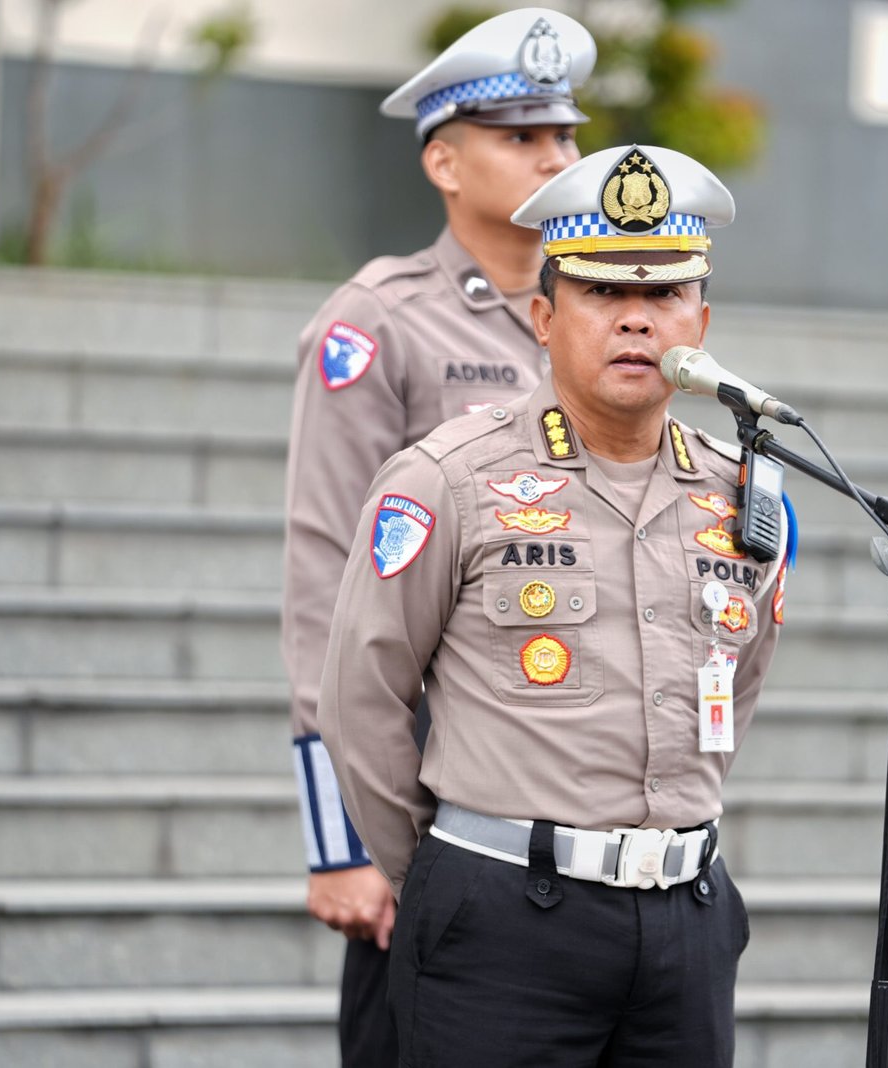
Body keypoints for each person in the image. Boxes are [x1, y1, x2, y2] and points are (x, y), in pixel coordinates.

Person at [320, 143, 786, 1067]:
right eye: (603, 292)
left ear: (701, 321)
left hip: (685, 925)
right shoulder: (448, 479)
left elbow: (738, 684)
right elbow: (361, 697)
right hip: (502, 927)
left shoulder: (741, 497)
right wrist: (443, 879)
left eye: (664, 294)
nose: (637, 319)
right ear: (543, 316)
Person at [281, 10, 595, 1065]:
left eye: (565, 135)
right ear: (443, 162)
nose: (554, 158)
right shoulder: (380, 323)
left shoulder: (597, 317)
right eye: (521, 137)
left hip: (571, 788)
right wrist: (341, 841)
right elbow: (327, 575)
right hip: (433, 799)